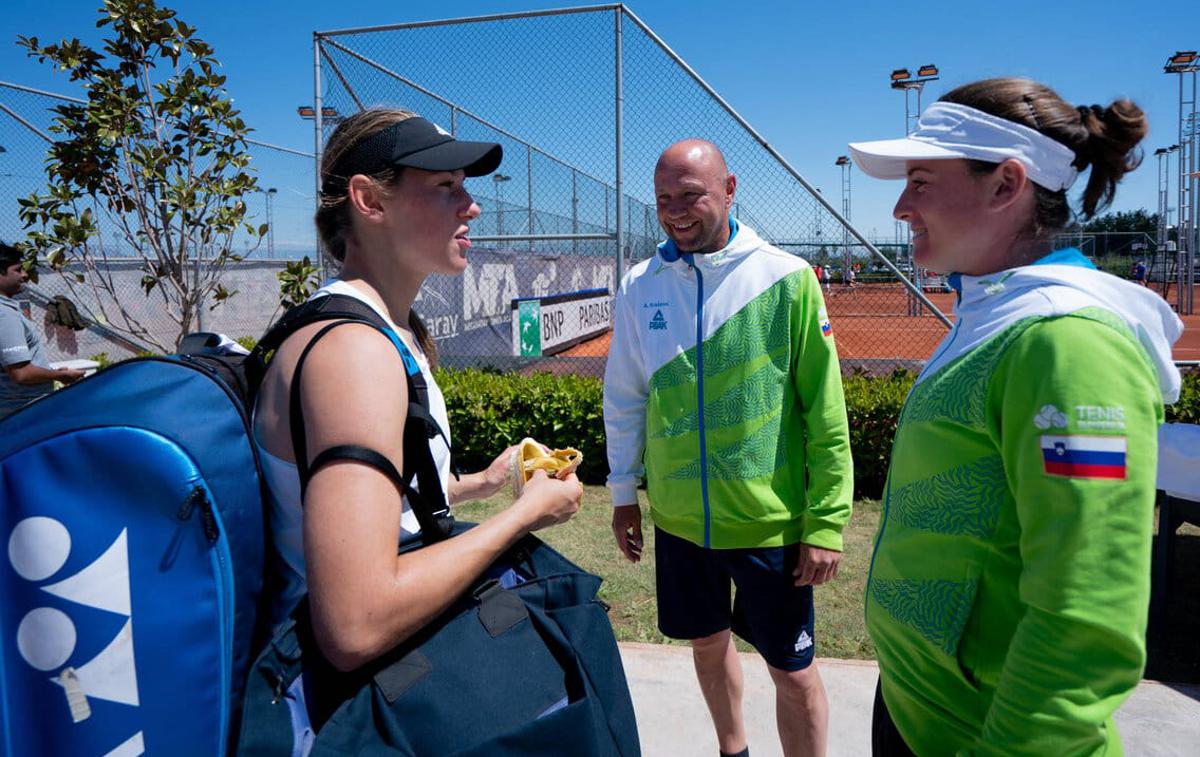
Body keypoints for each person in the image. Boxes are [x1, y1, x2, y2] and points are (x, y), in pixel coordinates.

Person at [849, 78, 1184, 755]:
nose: (900, 206)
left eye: (920, 180)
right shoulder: (998, 311)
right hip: (923, 710)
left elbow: (1086, 618)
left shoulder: (1068, 340)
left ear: (1007, 184)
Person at [251, 109, 582, 685]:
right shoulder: (351, 353)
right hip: (351, 706)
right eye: (445, 187)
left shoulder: (386, 331)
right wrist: (522, 518)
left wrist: (476, 483)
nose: (471, 205)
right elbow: (356, 622)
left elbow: (381, 506)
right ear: (369, 201)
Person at [604, 139, 853, 757]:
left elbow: (824, 411)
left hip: (770, 527)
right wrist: (622, 493)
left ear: (730, 188)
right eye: (664, 200)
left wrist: (826, 522)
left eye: (691, 196)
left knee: (792, 675)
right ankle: (732, 751)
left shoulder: (787, 279)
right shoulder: (641, 285)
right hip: (683, 524)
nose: (676, 212)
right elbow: (625, 396)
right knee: (707, 645)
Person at [0, 241, 84, 419]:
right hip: (23, 410)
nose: (24, 275)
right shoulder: (4, 315)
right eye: (18, 269)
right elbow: (21, 374)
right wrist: (60, 376)